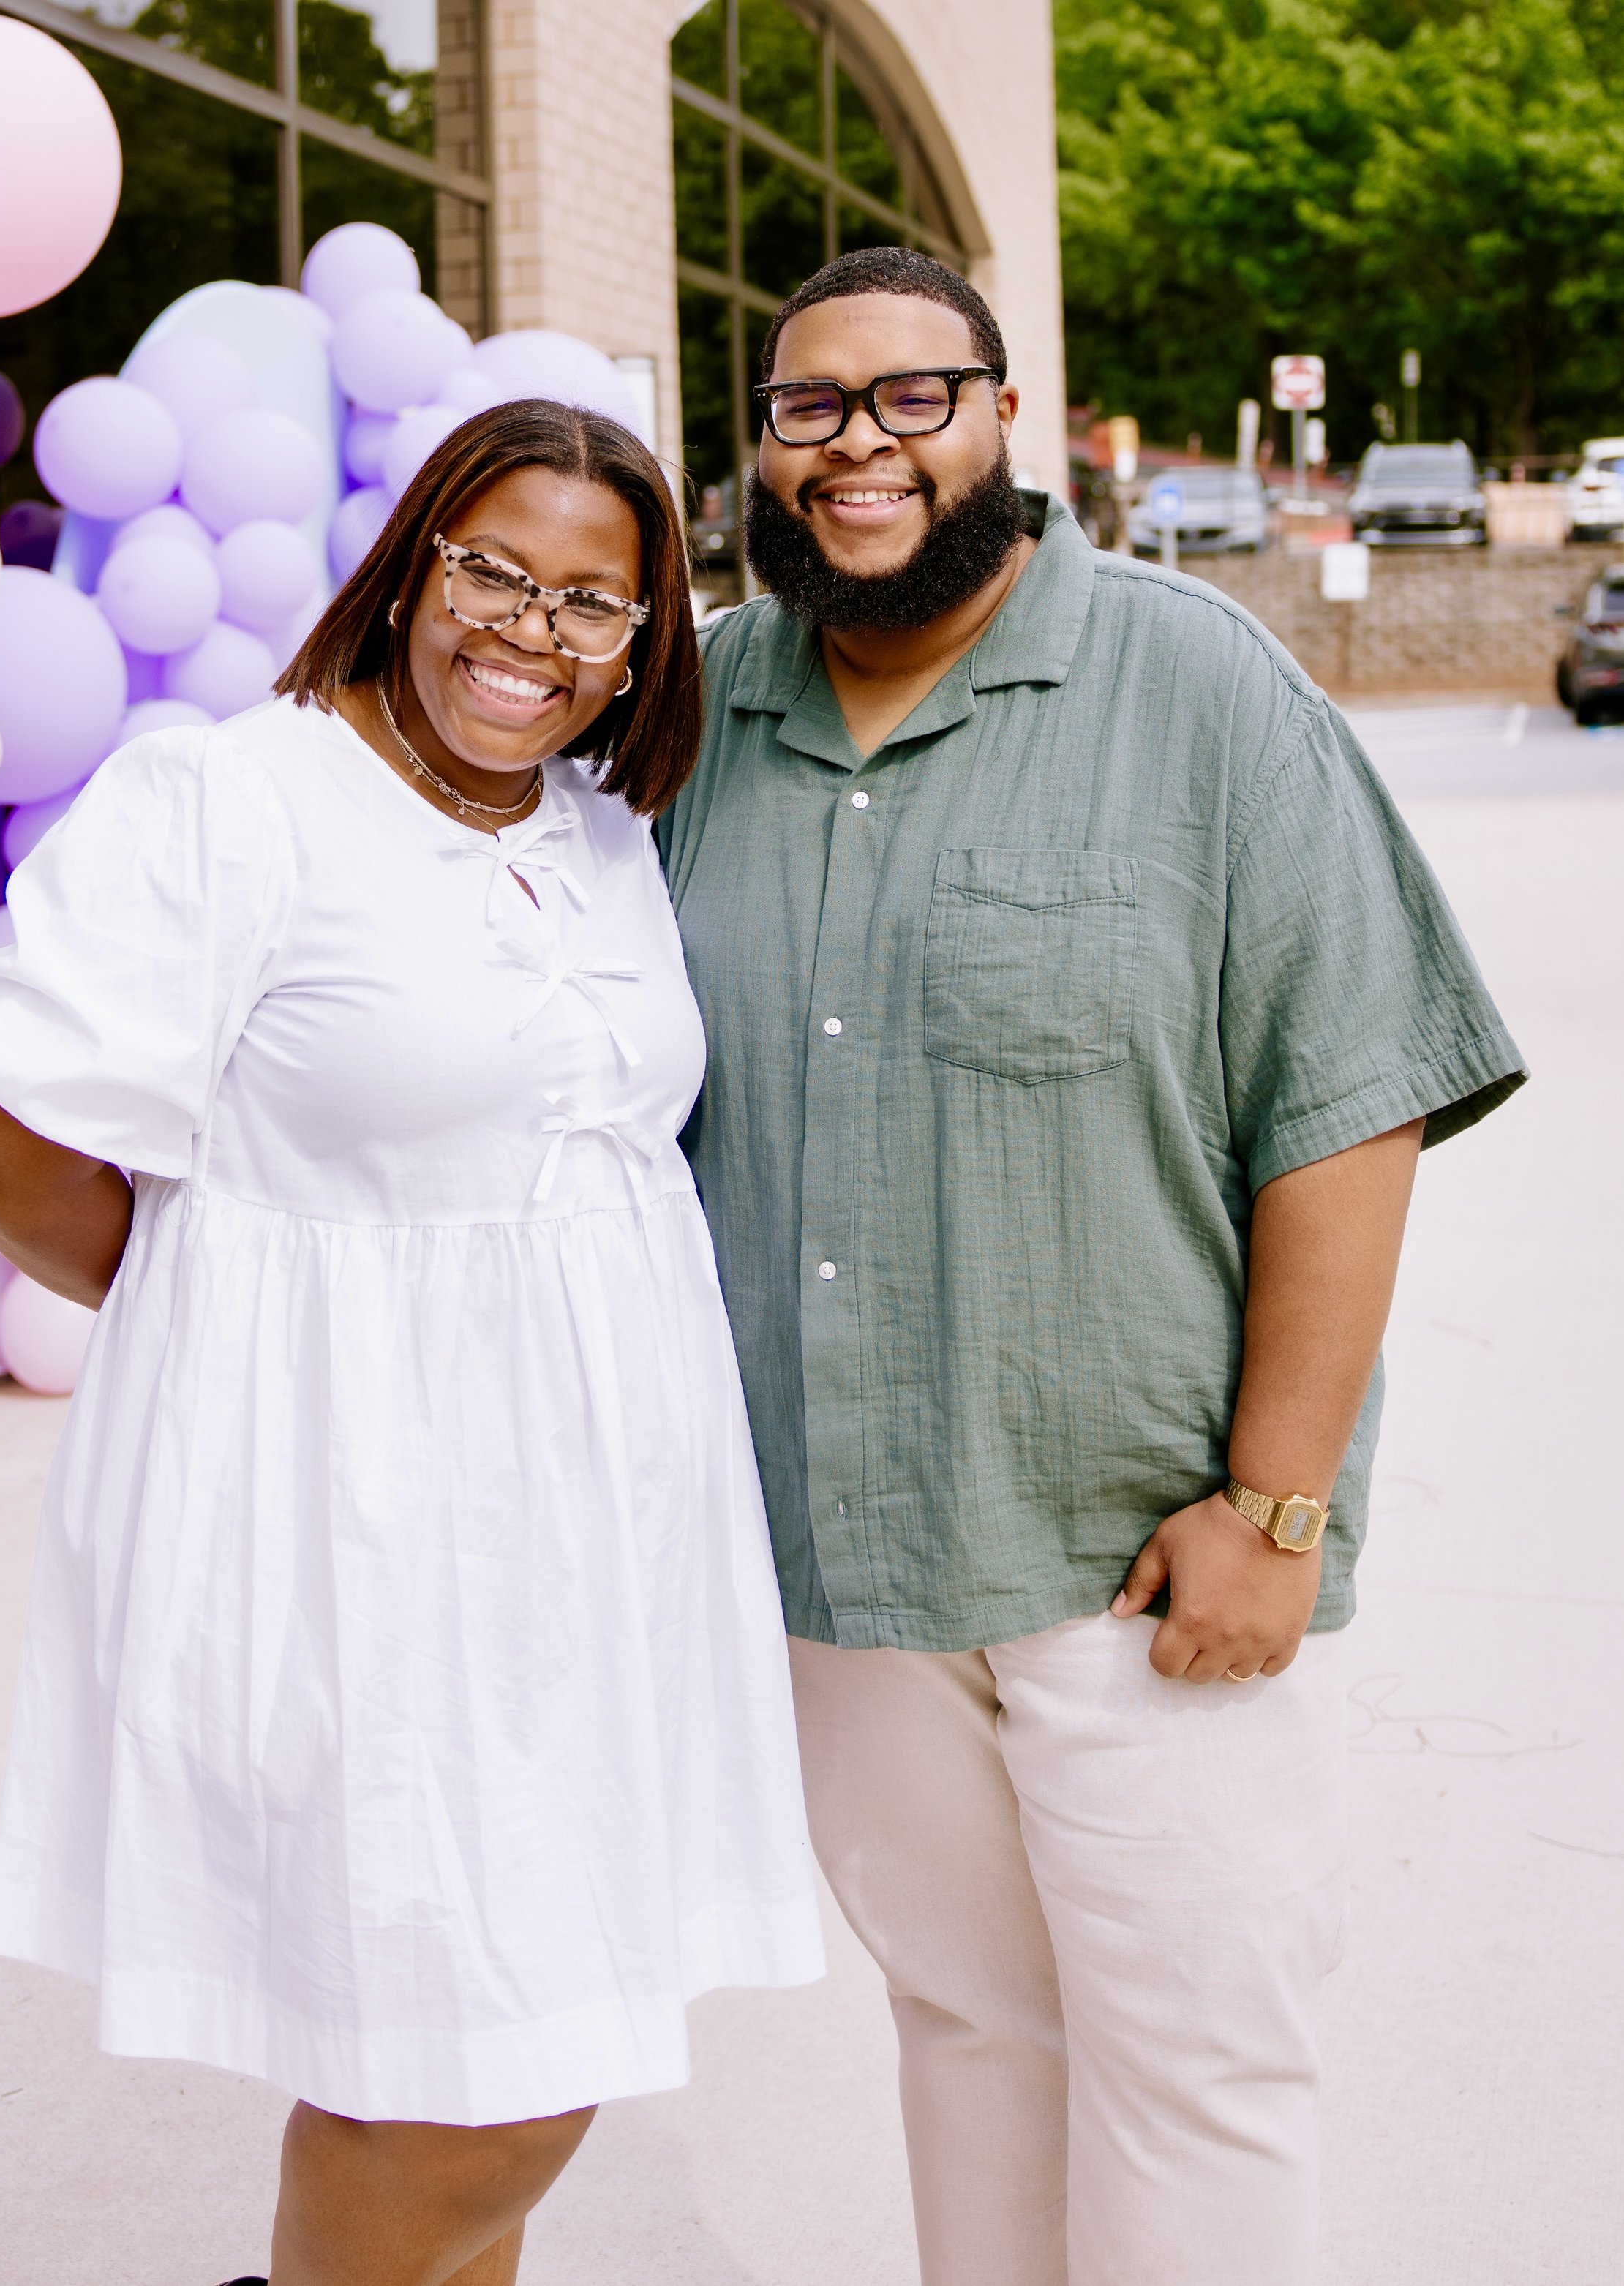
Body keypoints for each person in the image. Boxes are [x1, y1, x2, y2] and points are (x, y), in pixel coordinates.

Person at [658, 246, 1525, 2286]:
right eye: (808, 409)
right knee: (968, 2031)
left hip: (1140, 1558)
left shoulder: (1195, 681)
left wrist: (1278, 1503)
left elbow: (1348, 1095)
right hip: (839, 1570)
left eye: (907, 398)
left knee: (1199, 2068)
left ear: (1000, 417)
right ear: (762, 450)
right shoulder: (696, 722)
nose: (855, 448)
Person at [0, 399, 822, 2286]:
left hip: (592, 1550)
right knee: (487, 2076)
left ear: (648, 639)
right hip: (362, 1530)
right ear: (413, 559)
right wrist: (230, 1321)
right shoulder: (237, 801)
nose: (533, 629)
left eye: (598, 600)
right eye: (494, 568)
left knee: (455, 2028)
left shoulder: (596, 834)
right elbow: (5, 1136)